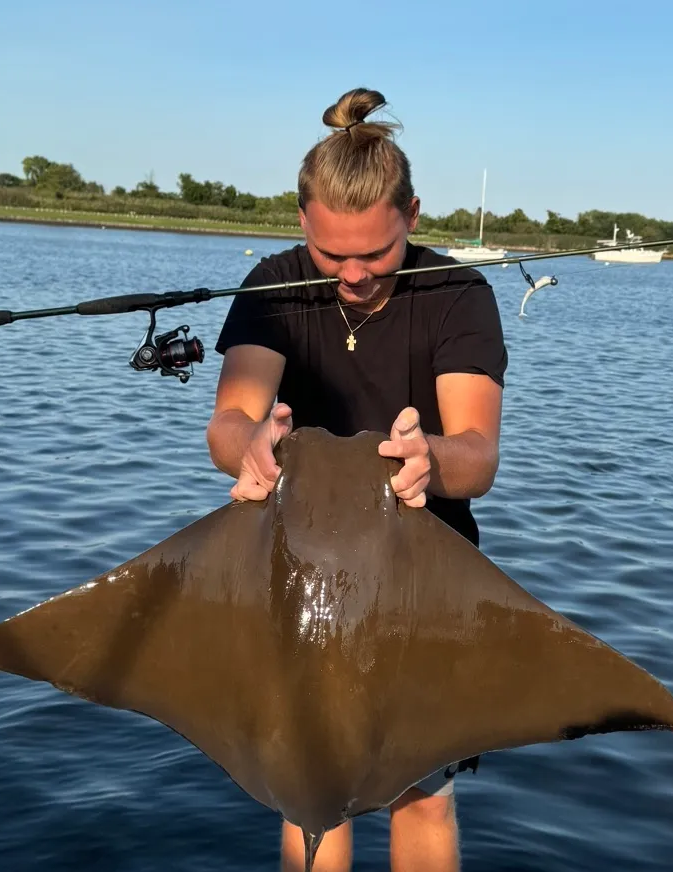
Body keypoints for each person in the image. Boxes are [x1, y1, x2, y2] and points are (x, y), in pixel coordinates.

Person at [206, 87, 508, 872]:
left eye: (375, 254)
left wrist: (430, 460)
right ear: (302, 219)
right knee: (312, 797)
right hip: (295, 579)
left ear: (412, 213)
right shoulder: (273, 288)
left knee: (422, 797)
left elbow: (477, 452)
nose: (352, 275)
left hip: (420, 584)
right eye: (331, 254)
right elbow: (229, 420)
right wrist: (253, 446)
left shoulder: (459, 297)